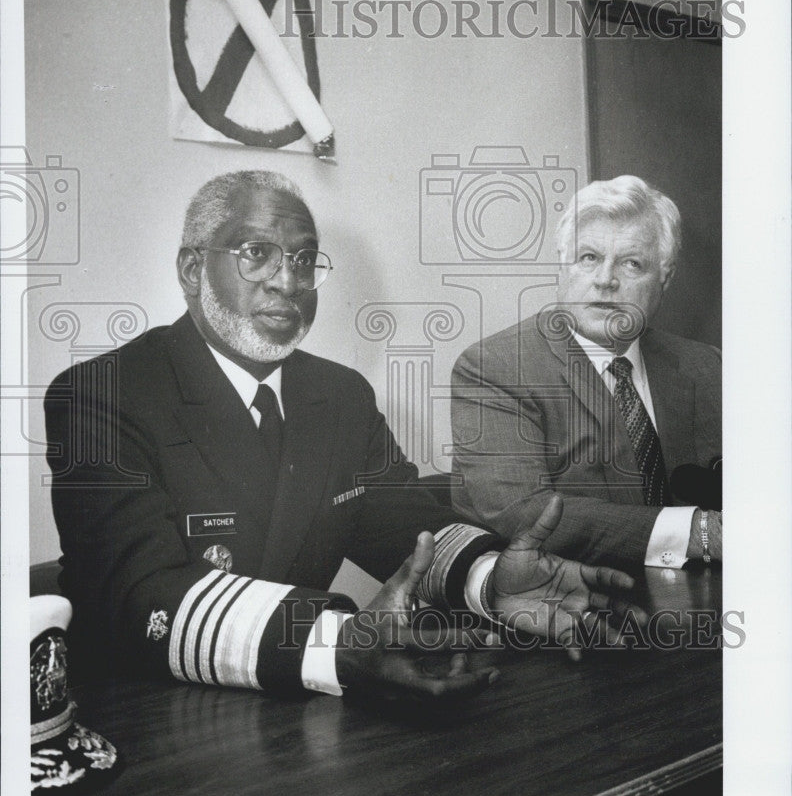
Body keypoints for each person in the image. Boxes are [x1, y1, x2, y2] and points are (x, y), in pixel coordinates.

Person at [45, 170, 640, 704]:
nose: (288, 281)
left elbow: (405, 528)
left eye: (305, 260)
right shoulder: (102, 395)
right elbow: (139, 596)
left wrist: (491, 581)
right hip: (145, 717)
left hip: (300, 698)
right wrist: (336, 641)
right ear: (192, 269)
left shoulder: (339, 394)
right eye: (257, 253)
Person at [450, 175, 722, 569]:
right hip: (564, 614)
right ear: (564, 266)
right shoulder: (496, 367)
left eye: (632, 263)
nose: (605, 280)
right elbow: (524, 512)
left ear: (665, 277)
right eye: (589, 258)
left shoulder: (706, 365)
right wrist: (698, 531)